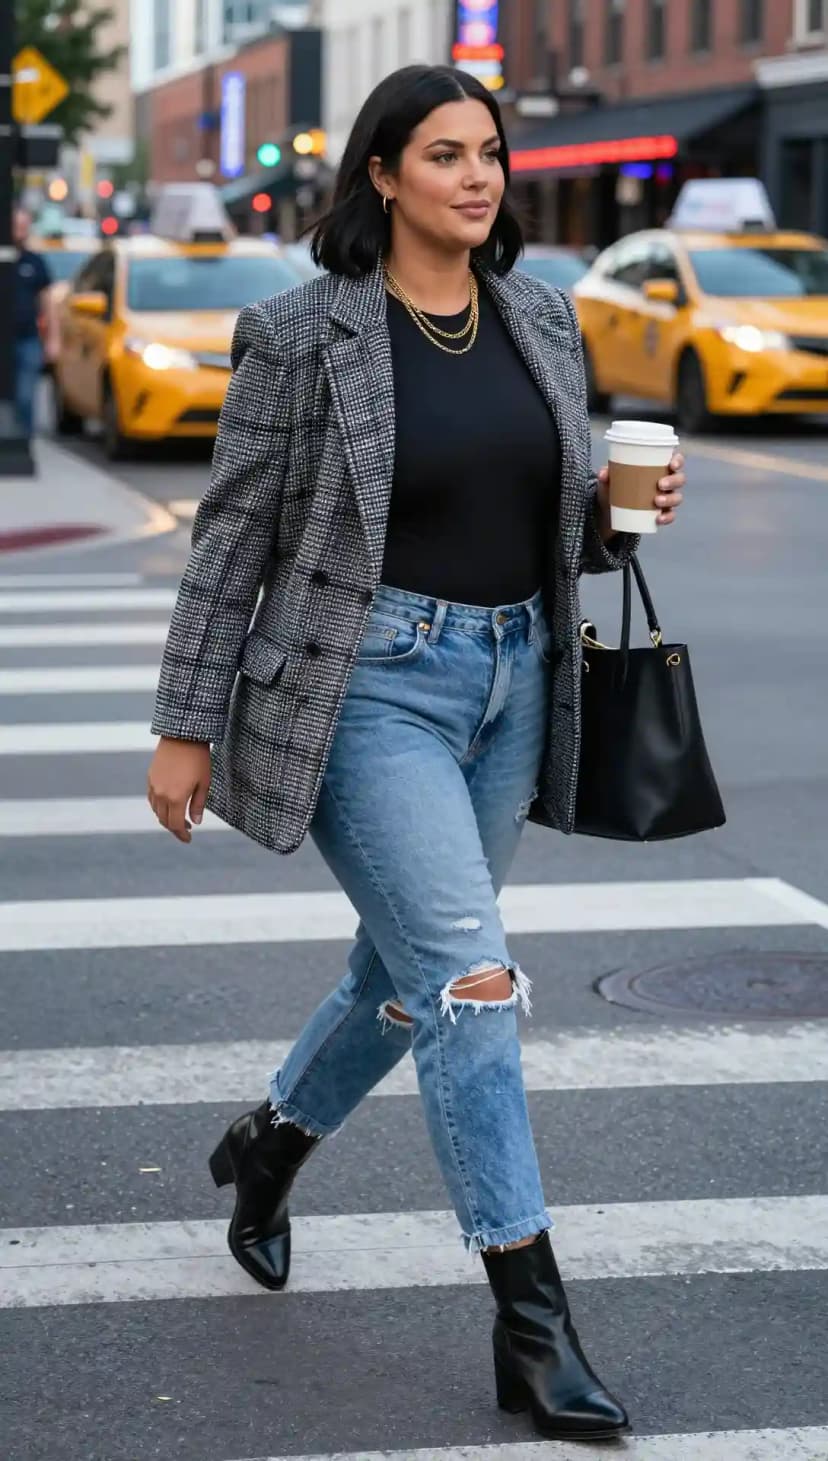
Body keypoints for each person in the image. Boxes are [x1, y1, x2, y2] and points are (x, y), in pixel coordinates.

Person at [147, 65, 685, 1441]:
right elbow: (233, 542)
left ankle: (266, 1146)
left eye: (490, 153)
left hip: (514, 680)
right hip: (367, 683)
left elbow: (559, 528)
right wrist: (184, 726)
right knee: (477, 988)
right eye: (445, 153)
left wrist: (624, 520)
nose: (479, 175)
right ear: (381, 174)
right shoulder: (299, 335)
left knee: (404, 975)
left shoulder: (542, 322)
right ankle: (533, 1320)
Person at [13, 208, 59, 441]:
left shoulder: (35, 262)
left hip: (28, 338)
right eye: (16, 226)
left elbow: (48, 303)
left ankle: (24, 441)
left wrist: (52, 339)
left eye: (24, 227)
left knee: (26, 395)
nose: (20, 232)